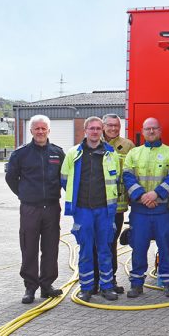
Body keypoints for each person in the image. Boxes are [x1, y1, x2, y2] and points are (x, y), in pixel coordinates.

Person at [5, 114, 65, 304]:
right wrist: (23, 194)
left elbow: (65, 178)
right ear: (30, 131)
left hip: (52, 208)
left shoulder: (57, 153)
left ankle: (47, 286)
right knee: (29, 247)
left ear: (49, 130)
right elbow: (11, 178)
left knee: (50, 247)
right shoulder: (21, 154)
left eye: (43, 128)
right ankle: (30, 287)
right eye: (36, 128)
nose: (40, 131)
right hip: (30, 208)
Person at [60, 117, 122, 302]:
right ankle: (86, 288)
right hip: (83, 210)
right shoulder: (73, 153)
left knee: (105, 249)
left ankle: (107, 287)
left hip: (104, 210)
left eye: (98, 129)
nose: (95, 132)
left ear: (102, 131)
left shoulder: (111, 153)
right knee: (86, 249)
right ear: (85, 130)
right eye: (91, 128)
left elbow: (116, 180)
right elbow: (64, 179)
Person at [122, 117, 169, 298]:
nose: (151, 131)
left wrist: (155, 195)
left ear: (160, 130)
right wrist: (142, 196)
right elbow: (127, 176)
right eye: (147, 129)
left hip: (162, 209)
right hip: (140, 210)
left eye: (154, 128)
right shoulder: (134, 153)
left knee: (166, 245)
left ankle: (168, 282)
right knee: (138, 247)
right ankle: (136, 284)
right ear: (142, 130)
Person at [95, 113, 135, 295]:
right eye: (109, 125)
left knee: (110, 244)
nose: (113, 128)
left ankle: (110, 280)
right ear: (103, 126)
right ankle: (93, 281)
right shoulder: (92, 143)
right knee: (95, 243)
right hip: (95, 205)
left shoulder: (127, 146)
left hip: (117, 207)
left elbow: (132, 174)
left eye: (116, 126)